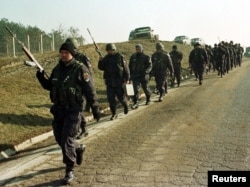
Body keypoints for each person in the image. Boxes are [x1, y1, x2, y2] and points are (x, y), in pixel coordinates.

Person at [36, 42, 101, 184]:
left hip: (74, 109)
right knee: (60, 138)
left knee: (66, 139)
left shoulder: (80, 69)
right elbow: (49, 86)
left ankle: (69, 170)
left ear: (72, 54)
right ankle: (78, 148)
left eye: (66, 52)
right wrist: (40, 76)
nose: (63, 55)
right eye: (62, 52)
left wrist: (95, 108)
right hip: (59, 109)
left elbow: (90, 90)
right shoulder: (57, 69)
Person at [65, 38, 92, 139]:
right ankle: (77, 129)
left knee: (77, 110)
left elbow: (88, 74)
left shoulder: (82, 57)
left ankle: (83, 129)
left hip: (81, 89)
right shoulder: (66, 57)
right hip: (69, 90)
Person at [98, 43, 130, 120]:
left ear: (114, 49)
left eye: (110, 50)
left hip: (119, 81)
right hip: (109, 82)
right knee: (110, 99)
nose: (109, 52)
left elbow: (126, 69)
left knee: (121, 97)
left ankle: (126, 105)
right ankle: (114, 113)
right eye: (108, 51)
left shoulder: (120, 57)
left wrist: (127, 79)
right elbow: (101, 67)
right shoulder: (106, 58)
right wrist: (100, 61)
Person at [129, 44, 152, 109]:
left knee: (146, 88)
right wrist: (130, 75)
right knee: (135, 89)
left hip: (143, 76)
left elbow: (150, 66)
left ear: (142, 49)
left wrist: (146, 72)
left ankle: (148, 98)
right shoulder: (133, 56)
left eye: (139, 49)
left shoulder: (146, 57)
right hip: (135, 76)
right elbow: (130, 66)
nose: (137, 50)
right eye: (136, 49)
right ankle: (135, 102)